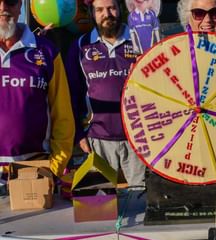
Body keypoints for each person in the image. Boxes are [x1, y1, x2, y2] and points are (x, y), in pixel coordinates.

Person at [66, 0, 145, 188]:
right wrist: (78, 134)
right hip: (98, 139)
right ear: (92, 14)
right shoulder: (80, 46)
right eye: (99, 10)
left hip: (140, 139)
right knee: (102, 206)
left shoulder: (141, 40)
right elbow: (72, 95)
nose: (106, 14)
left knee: (141, 202)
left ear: (120, 9)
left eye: (111, 8)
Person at [0, 0, 74, 179]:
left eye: (10, 1)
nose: (3, 8)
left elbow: (62, 113)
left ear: (21, 6)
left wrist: (55, 166)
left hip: (35, 168)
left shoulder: (46, 51)